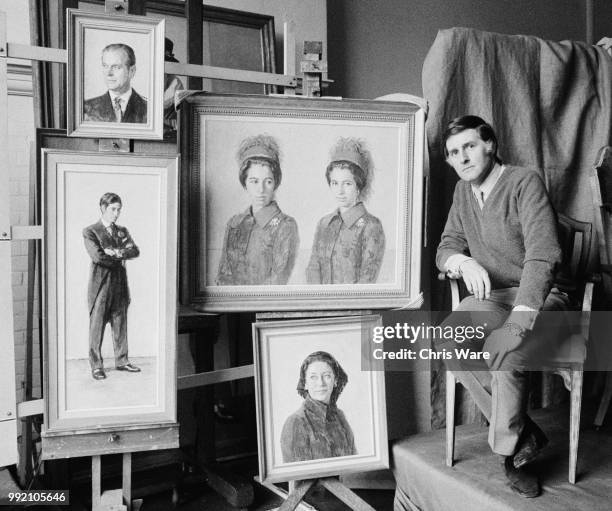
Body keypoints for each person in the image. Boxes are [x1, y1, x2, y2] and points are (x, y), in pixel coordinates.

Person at [435, 115, 567, 498]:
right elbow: (446, 248)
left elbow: (544, 255)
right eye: (453, 153)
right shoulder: (463, 193)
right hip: (494, 296)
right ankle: (522, 432)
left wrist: (518, 325)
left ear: (489, 145)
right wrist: (464, 262)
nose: (462, 158)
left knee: (508, 348)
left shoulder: (523, 182)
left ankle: (513, 454)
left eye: (470, 147)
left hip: (543, 296)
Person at [216, 134, 299, 285]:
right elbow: (223, 276)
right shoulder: (234, 223)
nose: (261, 189)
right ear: (244, 183)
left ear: (275, 183)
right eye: (254, 181)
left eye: (267, 181)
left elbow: (279, 280)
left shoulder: (286, 226)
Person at [306, 137, 385, 284]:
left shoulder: (372, 226)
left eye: (347, 184)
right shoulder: (324, 224)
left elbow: (367, 280)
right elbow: (313, 268)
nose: (340, 191)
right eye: (335, 183)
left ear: (358, 186)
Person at [83, 193, 141, 380]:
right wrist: (121, 255)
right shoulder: (91, 231)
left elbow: (135, 251)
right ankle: (96, 366)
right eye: (113, 209)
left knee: (120, 323)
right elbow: (98, 257)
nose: (116, 213)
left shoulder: (122, 231)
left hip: (119, 284)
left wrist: (114, 251)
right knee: (96, 326)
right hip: (100, 285)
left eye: (118, 210)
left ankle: (122, 361)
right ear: (102, 208)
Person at [280, 351, 357, 463]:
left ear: (335, 380)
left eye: (326, 376)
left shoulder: (340, 416)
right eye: (313, 377)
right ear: (305, 383)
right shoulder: (296, 422)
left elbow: (355, 464)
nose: (320, 383)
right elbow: (302, 478)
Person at [84, 43, 147, 124]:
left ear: (132, 71)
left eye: (116, 67)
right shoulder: (86, 108)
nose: (108, 73)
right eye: (105, 66)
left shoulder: (149, 109)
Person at [163, 37, 184, 134]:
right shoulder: (142, 80)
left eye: (167, 61)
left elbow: (181, 116)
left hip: (168, 134)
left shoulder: (176, 82)